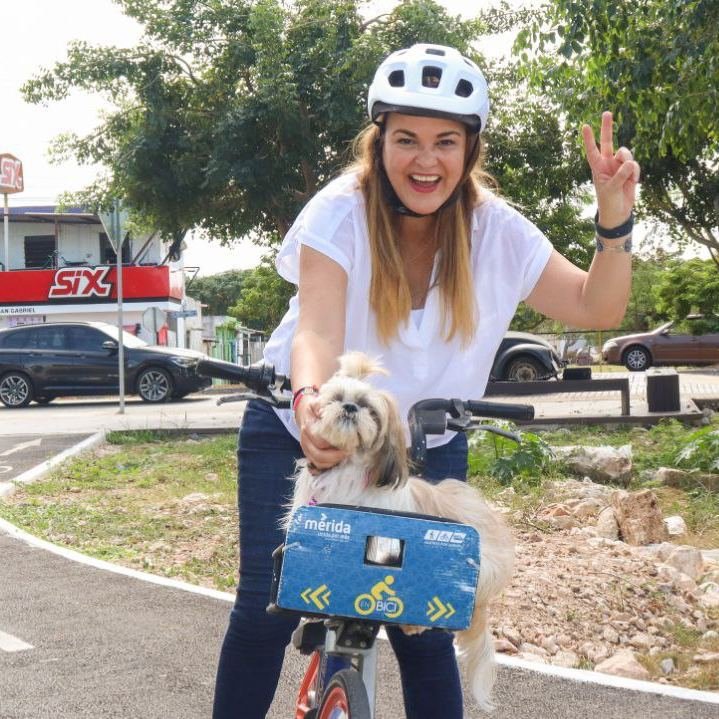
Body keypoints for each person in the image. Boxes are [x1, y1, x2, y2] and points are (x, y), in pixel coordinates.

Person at [212, 43, 639, 719]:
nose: (425, 160)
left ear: (469, 151)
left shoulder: (496, 231)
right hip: (299, 426)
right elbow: (316, 329)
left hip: (423, 442)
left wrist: (613, 219)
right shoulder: (339, 210)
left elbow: (599, 306)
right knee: (268, 607)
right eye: (406, 139)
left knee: (424, 624)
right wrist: (309, 401)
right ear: (379, 143)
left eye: (445, 141)